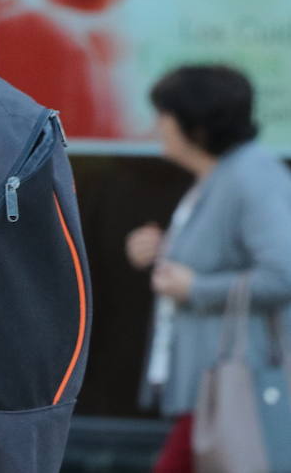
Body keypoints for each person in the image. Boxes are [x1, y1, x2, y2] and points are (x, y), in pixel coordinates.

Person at [124, 65, 291, 473]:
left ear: (197, 125)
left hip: (237, 385)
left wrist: (195, 288)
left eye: (164, 114)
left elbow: (283, 273)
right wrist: (163, 250)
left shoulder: (251, 176)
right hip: (214, 387)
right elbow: (224, 254)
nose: (157, 125)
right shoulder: (221, 176)